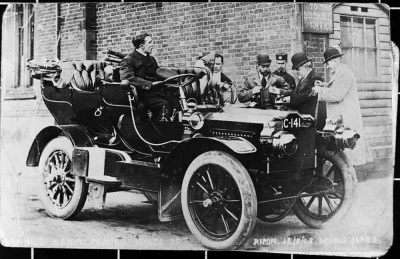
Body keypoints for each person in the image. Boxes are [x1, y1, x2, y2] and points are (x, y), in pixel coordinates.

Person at [312, 47, 373, 165]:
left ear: (335, 61)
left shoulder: (344, 73)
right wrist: (324, 85)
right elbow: (336, 87)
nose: (328, 66)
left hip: (346, 119)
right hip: (342, 118)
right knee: (342, 152)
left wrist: (320, 90)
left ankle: (347, 181)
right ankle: (344, 179)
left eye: (328, 63)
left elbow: (336, 95)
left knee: (347, 152)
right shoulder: (340, 73)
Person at [120, 32, 179, 120]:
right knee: (163, 105)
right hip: (140, 95)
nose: (153, 45)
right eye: (150, 42)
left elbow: (159, 74)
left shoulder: (151, 59)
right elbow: (127, 78)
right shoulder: (129, 60)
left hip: (155, 93)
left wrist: (172, 80)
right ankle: (157, 130)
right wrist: (150, 84)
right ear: (142, 46)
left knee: (176, 102)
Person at [283, 52, 325, 129]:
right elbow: (296, 94)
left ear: (306, 67)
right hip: (301, 119)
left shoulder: (315, 78)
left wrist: (290, 99)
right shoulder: (303, 78)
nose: (297, 71)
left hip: (310, 120)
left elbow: (308, 95)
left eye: (298, 69)